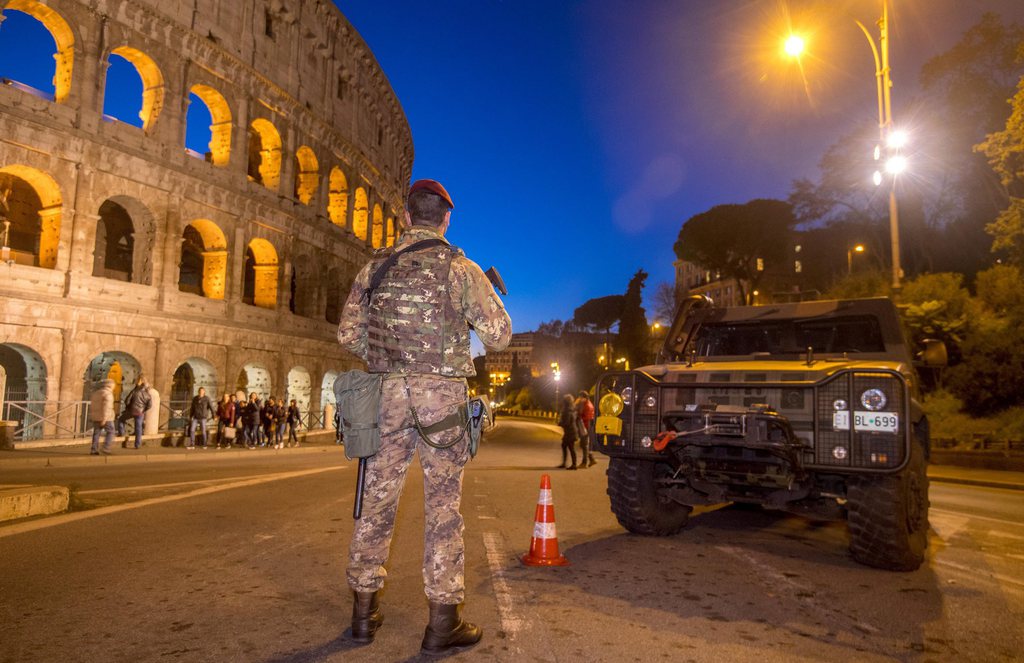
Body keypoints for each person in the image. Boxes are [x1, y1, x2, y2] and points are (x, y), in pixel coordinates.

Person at [337, 178, 511, 653]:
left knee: (376, 504)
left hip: (386, 395)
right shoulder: (461, 268)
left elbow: (348, 333)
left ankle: (363, 616)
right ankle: (441, 624)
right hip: (441, 401)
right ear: (446, 218)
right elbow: (499, 337)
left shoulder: (375, 267)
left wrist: (383, 358)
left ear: (407, 217)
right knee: (442, 509)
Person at [118, 376, 152, 449]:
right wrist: (143, 410)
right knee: (138, 428)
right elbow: (149, 405)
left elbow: (127, 400)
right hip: (140, 412)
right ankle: (137, 445)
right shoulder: (147, 394)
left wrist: (129, 407)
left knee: (121, 419)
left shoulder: (135, 391)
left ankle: (122, 433)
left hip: (132, 411)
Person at [89, 379, 116, 455]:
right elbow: (107, 407)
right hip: (106, 418)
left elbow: (93, 406)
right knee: (111, 432)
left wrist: (92, 416)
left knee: (96, 433)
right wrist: (104, 418)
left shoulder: (96, 393)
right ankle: (106, 447)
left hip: (96, 416)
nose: (114, 387)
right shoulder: (108, 394)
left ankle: (94, 449)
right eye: (114, 385)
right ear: (110, 385)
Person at [575, 390, 596, 468]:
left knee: (584, 445)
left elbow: (585, 417)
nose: (579, 398)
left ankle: (584, 463)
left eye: (580, 397)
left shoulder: (586, 405)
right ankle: (592, 459)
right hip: (588, 427)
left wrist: (579, 415)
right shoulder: (589, 404)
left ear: (584, 397)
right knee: (585, 445)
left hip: (585, 427)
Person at [557, 394, 578, 470]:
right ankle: (565, 463)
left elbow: (567, 422)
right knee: (564, 445)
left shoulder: (567, 410)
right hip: (571, 431)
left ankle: (574, 464)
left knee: (571, 448)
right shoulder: (572, 409)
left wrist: (560, 423)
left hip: (570, 432)